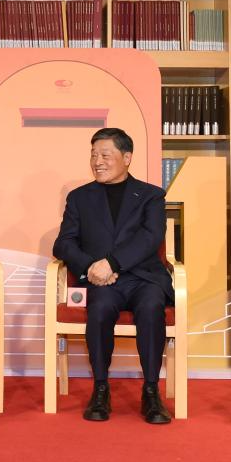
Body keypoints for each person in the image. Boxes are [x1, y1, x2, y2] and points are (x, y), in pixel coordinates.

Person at [53, 128, 173, 424]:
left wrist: (112, 263)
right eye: (93, 155)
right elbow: (63, 244)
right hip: (102, 282)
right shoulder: (79, 198)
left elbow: (151, 237)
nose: (98, 162)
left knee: (151, 307)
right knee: (100, 308)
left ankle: (151, 390)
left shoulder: (151, 195)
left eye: (105, 155)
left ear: (127, 157)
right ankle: (100, 389)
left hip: (144, 278)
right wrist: (93, 267)